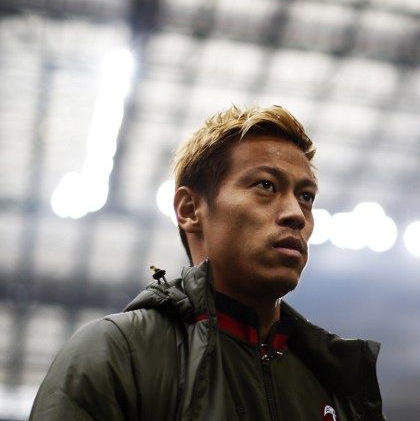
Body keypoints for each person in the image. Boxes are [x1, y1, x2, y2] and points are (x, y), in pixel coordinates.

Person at [30, 105, 385, 420]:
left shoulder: (337, 385)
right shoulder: (119, 353)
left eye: (306, 197)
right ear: (190, 210)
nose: (296, 214)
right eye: (265, 185)